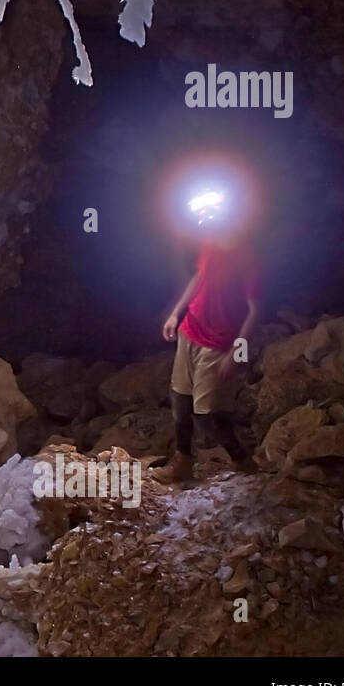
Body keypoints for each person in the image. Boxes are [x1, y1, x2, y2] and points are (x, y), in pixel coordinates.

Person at [150, 191, 260, 483]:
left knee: (205, 415)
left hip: (217, 343)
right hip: (190, 331)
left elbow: (255, 309)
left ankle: (242, 460)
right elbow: (199, 278)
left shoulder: (247, 257)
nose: (203, 224)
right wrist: (176, 313)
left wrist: (235, 353)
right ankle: (182, 464)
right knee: (179, 401)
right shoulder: (210, 244)